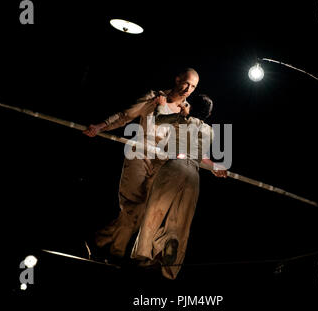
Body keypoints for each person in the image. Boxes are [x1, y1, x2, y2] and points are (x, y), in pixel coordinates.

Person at [82, 68, 199, 261]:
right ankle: (114, 253)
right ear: (177, 79)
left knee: (143, 210)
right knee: (133, 206)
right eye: (186, 83)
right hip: (139, 154)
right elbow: (125, 115)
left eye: (193, 86)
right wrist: (101, 126)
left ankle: (99, 242)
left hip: (161, 164)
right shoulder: (154, 98)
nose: (188, 89)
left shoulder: (187, 111)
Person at [131, 94, 227, 279]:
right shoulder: (210, 131)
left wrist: (160, 105)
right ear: (209, 113)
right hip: (193, 174)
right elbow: (200, 156)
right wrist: (215, 166)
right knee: (181, 221)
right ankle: (169, 264)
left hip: (174, 167)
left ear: (191, 107)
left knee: (155, 212)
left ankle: (142, 255)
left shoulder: (181, 120)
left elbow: (158, 120)